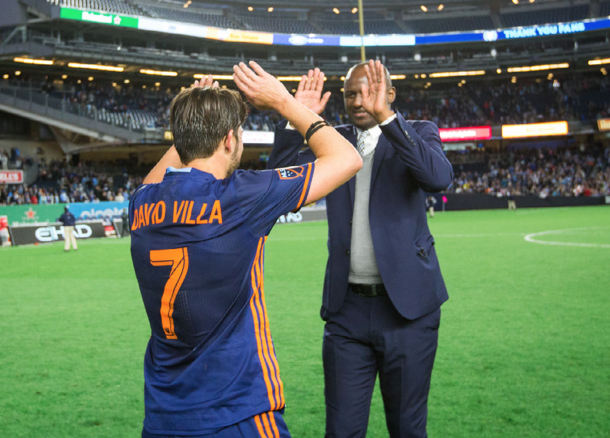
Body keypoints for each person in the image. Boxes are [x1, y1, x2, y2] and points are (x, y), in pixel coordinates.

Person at [129, 64, 362, 438]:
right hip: (236, 411)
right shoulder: (240, 196)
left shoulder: (141, 204)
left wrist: (191, 124)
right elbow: (346, 159)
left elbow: (155, 178)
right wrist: (286, 104)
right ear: (228, 140)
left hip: (164, 415)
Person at [268, 60, 453, 438]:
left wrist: (387, 118)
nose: (358, 100)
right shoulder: (331, 141)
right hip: (347, 312)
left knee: (407, 429)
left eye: (368, 92)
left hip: (409, 312)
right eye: (351, 93)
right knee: (341, 431)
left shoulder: (417, 132)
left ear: (390, 95)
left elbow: (438, 178)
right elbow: (281, 190)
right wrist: (295, 116)